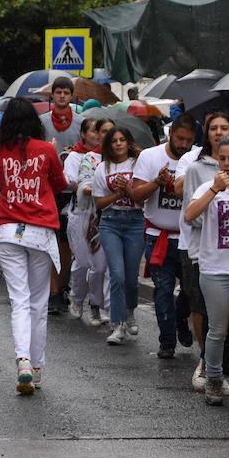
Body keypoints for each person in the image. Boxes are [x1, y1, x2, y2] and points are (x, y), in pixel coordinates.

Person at [0, 97, 68, 393]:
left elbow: (0, 184)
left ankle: (22, 360)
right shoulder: (47, 149)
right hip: (40, 232)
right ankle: (36, 368)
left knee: (19, 301)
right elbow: (60, 185)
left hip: (9, 231)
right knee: (38, 303)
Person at [177, 111, 229, 393]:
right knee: (218, 329)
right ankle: (213, 378)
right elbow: (189, 216)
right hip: (214, 269)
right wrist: (214, 189)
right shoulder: (205, 185)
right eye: (222, 158)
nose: (226, 163)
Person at [130, 114, 197, 358]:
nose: (184, 145)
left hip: (190, 238)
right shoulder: (150, 156)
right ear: (171, 134)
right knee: (163, 289)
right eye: (180, 139)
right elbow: (136, 195)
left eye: (189, 140)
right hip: (157, 236)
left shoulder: (197, 157)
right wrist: (157, 182)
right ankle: (167, 341)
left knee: (191, 291)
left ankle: (181, 320)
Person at [93, 126, 144, 345]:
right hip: (111, 222)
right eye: (114, 140)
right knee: (117, 274)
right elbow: (99, 203)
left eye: (123, 139)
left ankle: (130, 311)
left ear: (128, 142)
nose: (118, 144)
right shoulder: (102, 168)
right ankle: (118, 324)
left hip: (135, 221)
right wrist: (118, 194)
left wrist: (130, 191)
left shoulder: (138, 164)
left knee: (132, 278)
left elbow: (144, 199)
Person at [38, 77, 83, 314]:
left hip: (73, 191)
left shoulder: (82, 123)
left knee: (68, 243)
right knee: (50, 241)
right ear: (52, 95)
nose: (62, 96)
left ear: (72, 96)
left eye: (66, 92)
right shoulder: (42, 122)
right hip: (48, 190)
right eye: (58, 92)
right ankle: (53, 291)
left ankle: (63, 285)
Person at [64, 117, 109, 326]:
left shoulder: (118, 158)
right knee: (83, 263)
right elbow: (77, 184)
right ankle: (77, 297)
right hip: (82, 213)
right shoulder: (81, 157)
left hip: (104, 216)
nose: (97, 134)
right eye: (94, 130)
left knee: (100, 266)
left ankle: (96, 305)